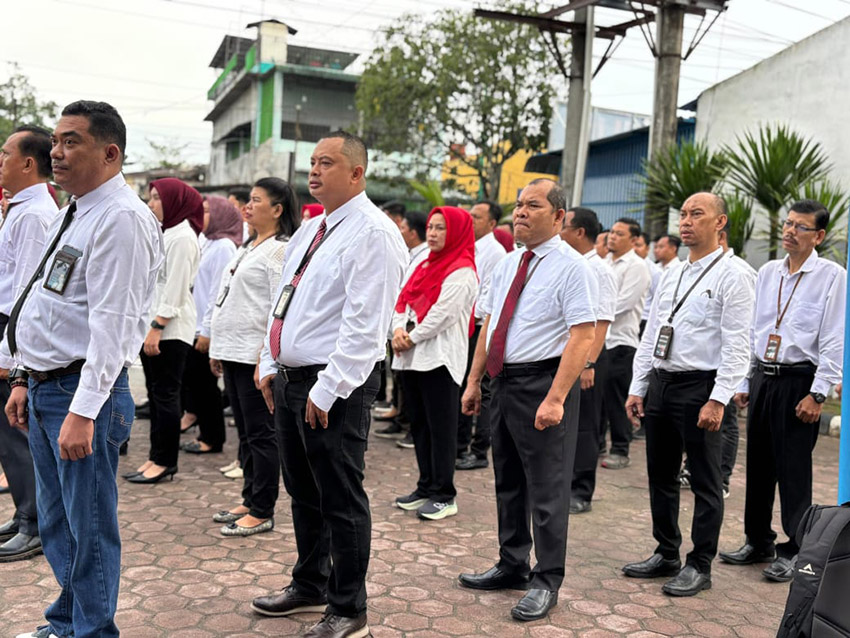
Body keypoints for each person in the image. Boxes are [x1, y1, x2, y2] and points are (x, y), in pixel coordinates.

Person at [3, 100, 163, 638]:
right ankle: (67, 621)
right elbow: (48, 303)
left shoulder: (120, 218)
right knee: (57, 526)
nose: (57, 152)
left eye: (72, 141)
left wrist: (83, 410)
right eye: (55, 140)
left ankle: (93, 632)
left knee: (89, 531)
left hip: (80, 394)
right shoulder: (78, 208)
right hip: (48, 390)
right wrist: (24, 377)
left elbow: (115, 327)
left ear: (110, 152)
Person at [252, 131, 406, 638]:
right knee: (302, 491)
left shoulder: (373, 233)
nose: (314, 171)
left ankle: (348, 608)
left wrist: (328, 387)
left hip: (332, 385)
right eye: (312, 162)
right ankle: (310, 583)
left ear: (357, 174)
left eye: (327, 163)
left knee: (340, 496)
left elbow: (366, 325)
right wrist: (269, 360)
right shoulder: (312, 229)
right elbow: (284, 299)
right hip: (292, 379)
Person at [458, 178, 596, 622]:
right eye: (518, 205)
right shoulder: (508, 263)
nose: (520, 212)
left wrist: (556, 398)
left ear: (558, 217)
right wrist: (475, 381)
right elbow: (489, 324)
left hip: (543, 385)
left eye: (532, 205)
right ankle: (512, 563)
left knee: (548, 486)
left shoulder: (574, 268)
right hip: (504, 382)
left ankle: (546, 579)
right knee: (509, 479)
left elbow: (582, 335)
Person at [623, 192, 754, 597]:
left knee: (704, 480)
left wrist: (718, 399)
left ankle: (700, 565)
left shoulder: (736, 274)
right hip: (663, 382)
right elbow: (652, 335)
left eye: (697, 214)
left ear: (720, 223)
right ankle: (666, 552)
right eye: (683, 214)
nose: (686, 221)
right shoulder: (673, 272)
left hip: (702, 387)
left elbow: (738, 344)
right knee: (660, 475)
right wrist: (638, 386)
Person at [720, 199, 845, 583]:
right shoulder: (769, 271)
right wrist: (744, 381)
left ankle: (795, 548)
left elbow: (836, 338)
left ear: (819, 235)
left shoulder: (833, 276)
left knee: (793, 470)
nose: (790, 231)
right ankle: (757, 540)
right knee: (758, 466)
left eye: (800, 227)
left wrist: (819, 392)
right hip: (763, 379)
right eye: (788, 224)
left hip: (799, 382)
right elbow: (753, 330)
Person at [207, 177, 298, 537]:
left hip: (253, 354)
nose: (247, 206)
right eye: (248, 199)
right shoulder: (248, 246)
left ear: (277, 210)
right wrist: (217, 347)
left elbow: (279, 307)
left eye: (256, 200)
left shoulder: (280, 250)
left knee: (261, 434)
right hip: (232, 351)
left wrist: (267, 356)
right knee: (245, 433)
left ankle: (262, 508)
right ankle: (249, 497)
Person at [392, 206, 477, 519]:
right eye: (430, 227)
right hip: (411, 357)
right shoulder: (424, 263)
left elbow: (443, 314)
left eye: (441, 228)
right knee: (421, 426)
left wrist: (409, 337)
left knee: (441, 429)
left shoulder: (462, 270)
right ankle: (425, 485)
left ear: (455, 232)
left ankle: (444, 493)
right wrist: (398, 329)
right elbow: (401, 300)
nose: (433, 233)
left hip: (439, 359)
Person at [0, 125, 58, 562]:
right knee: (6, 436)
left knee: (16, 434)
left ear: (27, 163)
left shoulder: (35, 214)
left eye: (6, 154)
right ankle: (24, 514)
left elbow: (26, 290)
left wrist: (11, 357)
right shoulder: (20, 209)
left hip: (10, 330)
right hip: (5, 328)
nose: (0, 162)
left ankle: (35, 521)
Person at [125, 178, 201, 484]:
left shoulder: (182, 237)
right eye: (150, 197)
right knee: (157, 396)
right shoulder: (166, 233)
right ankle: (155, 457)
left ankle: (165, 461)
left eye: (157, 198)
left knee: (166, 395)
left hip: (170, 329)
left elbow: (176, 290)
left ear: (173, 201)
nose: (151, 203)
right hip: (155, 327)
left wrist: (157, 327)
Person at [559, 206, 617, 515]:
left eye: (565, 226)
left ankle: (581, 491)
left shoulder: (599, 270)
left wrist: (588, 364)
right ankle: (563, 484)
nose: (560, 232)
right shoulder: (570, 264)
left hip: (588, 358)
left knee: (585, 426)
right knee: (567, 423)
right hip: (569, 354)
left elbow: (602, 321)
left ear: (580, 232)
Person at [181, 195, 243, 454]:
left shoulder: (224, 247)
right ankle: (205, 432)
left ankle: (212, 438)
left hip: (204, 327)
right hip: (194, 323)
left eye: (207, 211)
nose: (201, 215)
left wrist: (206, 330)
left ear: (219, 215)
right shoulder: (208, 241)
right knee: (195, 382)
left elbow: (217, 293)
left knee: (206, 386)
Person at [456, 200, 506, 471]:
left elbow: (486, 295)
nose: (471, 220)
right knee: (464, 388)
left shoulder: (495, 252)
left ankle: (477, 450)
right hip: (464, 327)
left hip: (479, 326)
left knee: (480, 389)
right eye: (470, 215)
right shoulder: (468, 246)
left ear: (492, 223)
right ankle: (459, 445)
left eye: (477, 216)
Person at [374, 210, 428, 442]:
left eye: (404, 228)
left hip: (412, 327)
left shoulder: (424, 256)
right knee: (400, 377)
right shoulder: (411, 253)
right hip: (399, 322)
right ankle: (401, 417)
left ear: (414, 233)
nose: (400, 231)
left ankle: (408, 424)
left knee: (409, 382)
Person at [602, 218, 651, 469]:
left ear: (633, 240)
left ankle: (620, 449)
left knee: (617, 398)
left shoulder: (637, 266)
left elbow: (624, 303)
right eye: (611, 232)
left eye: (619, 234)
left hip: (621, 341)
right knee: (596, 397)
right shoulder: (604, 262)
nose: (612, 237)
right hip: (599, 339)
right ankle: (598, 444)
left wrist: (593, 313)